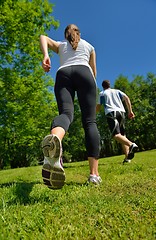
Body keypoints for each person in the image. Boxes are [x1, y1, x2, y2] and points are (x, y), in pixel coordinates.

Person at [40, 24, 101, 189]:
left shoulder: (60, 45)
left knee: (66, 113)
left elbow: (43, 37)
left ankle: (55, 140)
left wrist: (46, 55)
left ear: (65, 34)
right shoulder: (89, 46)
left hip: (63, 74)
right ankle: (94, 175)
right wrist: (91, 94)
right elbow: (94, 73)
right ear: (78, 33)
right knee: (90, 122)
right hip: (85, 73)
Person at [96, 80, 138, 164]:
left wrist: (93, 114)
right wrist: (130, 111)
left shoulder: (102, 94)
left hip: (111, 113)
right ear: (109, 85)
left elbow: (98, 106)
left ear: (103, 86)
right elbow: (126, 98)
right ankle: (127, 158)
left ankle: (131, 144)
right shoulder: (117, 91)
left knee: (115, 135)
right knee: (122, 135)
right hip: (121, 112)